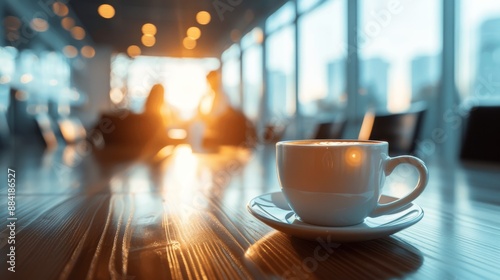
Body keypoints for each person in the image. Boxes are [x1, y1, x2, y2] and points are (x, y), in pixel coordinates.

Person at [194, 70, 257, 149]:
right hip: (215, 133)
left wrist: (205, 117)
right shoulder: (211, 96)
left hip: (221, 136)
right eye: (209, 82)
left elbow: (216, 117)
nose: (210, 84)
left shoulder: (223, 97)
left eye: (211, 81)